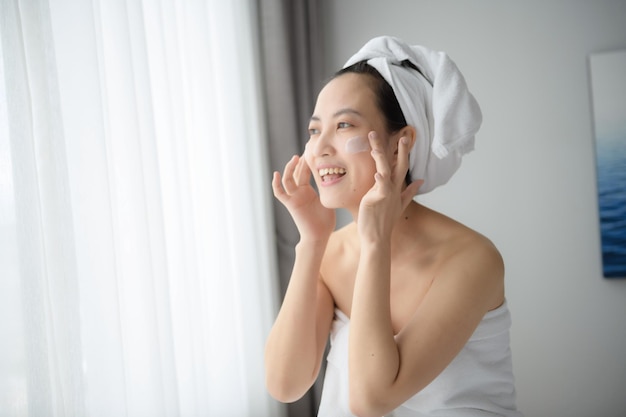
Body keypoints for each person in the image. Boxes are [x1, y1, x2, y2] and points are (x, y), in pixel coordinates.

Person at [264, 36, 522, 417]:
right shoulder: (329, 253)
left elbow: (372, 400)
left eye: (344, 125)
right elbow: (285, 384)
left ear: (401, 144)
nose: (318, 149)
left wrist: (375, 244)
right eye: (315, 130)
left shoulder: (472, 260)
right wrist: (312, 240)